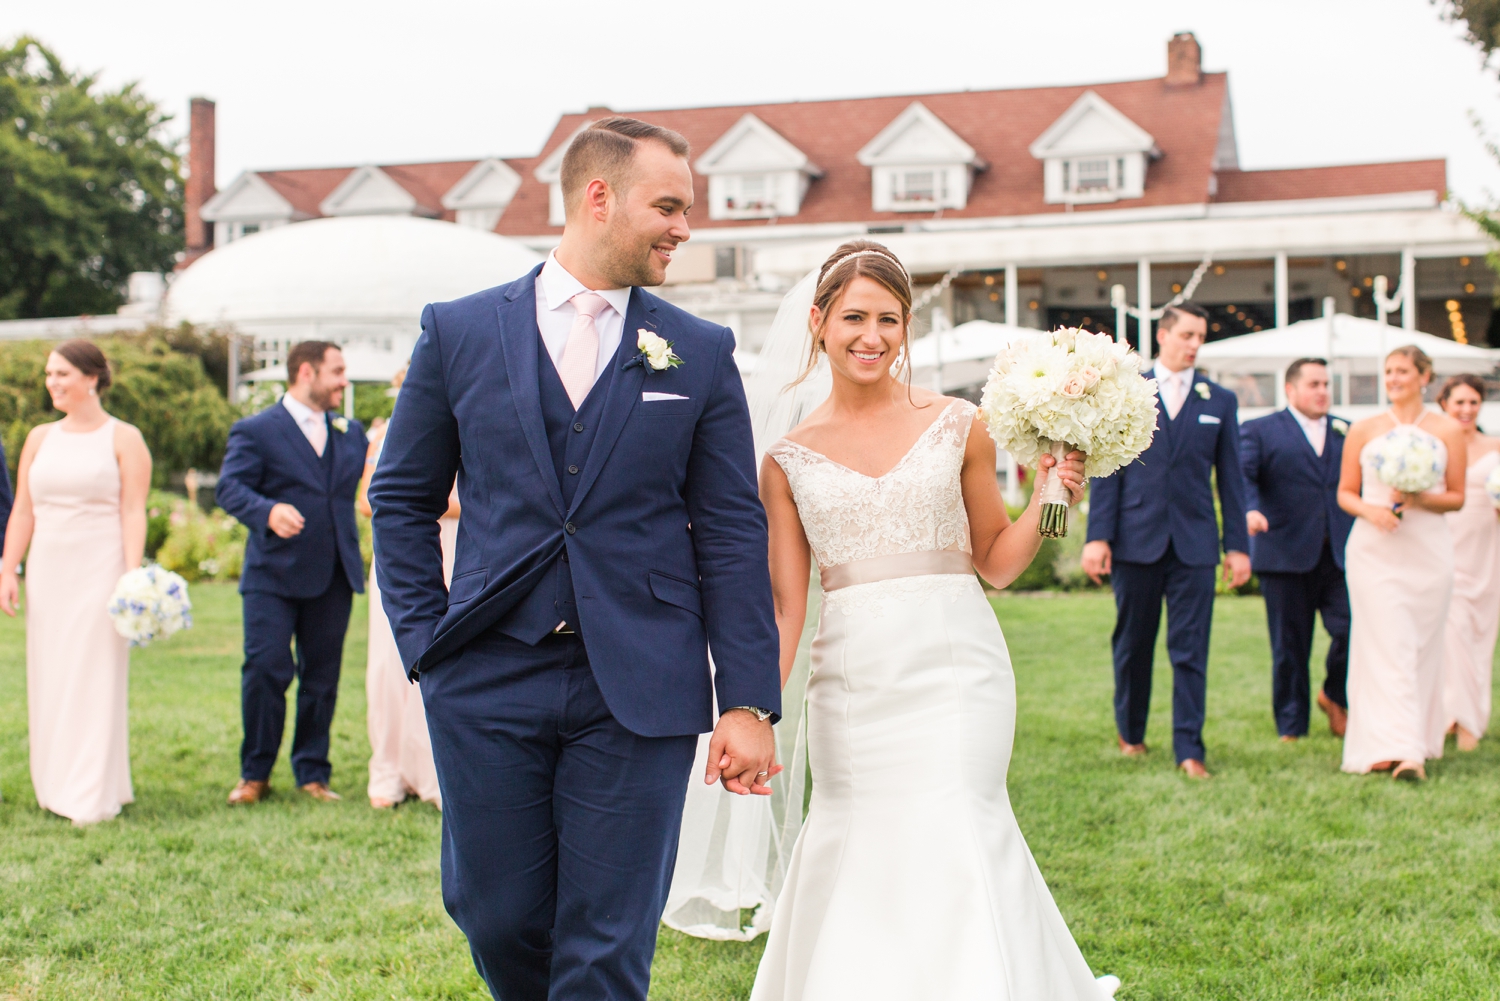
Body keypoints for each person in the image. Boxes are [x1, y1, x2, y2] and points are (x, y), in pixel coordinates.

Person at [368, 117, 781, 1001]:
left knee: (606, 940)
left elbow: (733, 530)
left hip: (639, 686)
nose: (683, 227)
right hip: (485, 673)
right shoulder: (460, 331)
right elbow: (400, 499)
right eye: (667, 205)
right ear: (599, 197)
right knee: (499, 915)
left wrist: (747, 697)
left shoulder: (700, 352)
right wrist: (424, 642)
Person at [748, 241, 1114, 1000]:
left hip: (957, 669)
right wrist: (755, 711)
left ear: (907, 327)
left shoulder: (960, 423)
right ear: (818, 322)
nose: (870, 336)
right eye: (853, 317)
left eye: (888, 319)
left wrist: (1052, 494)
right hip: (852, 682)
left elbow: (997, 560)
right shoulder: (785, 459)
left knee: (959, 818)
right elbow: (787, 606)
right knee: (859, 838)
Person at [1082, 303, 1251, 778]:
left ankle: (1189, 749)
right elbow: (1109, 467)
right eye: (1188, 334)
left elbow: (1232, 480)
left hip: (1196, 544)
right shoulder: (1128, 392)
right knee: (1134, 643)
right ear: (1164, 335)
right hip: (1136, 539)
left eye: (1201, 335)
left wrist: (1237, 547)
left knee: (1191, 648)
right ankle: (1131, 733)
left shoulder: (1220, 401)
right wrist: (1099, 538)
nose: (1195, 343)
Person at [0, 340, 152, 824]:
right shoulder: (39, 438)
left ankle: (91, 792)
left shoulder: (124, 438)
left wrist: (131, 577)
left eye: (62, 374)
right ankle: (54, 783)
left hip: (100, 568)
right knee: (52, 673)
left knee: (95, 675)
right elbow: (23, 508)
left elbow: (132, 510)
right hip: (48, 571)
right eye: (49, 374)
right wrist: (8, 567)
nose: (53, 383)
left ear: (92, 378)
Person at [216, 341, 367, 805]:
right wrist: (267, 510)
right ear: (306, 372)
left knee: (322, 677)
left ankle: (312, 772)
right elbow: (229, 488)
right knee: (265, 668)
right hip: (273, 575)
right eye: (337, 371)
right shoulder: (256, 430)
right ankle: (254, 773)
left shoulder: (351, 432)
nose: (345, 380)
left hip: (334, 572)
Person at [1337, 346, 1465, 781]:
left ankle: (1411, 737)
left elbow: (1457, 496)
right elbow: (1346, 492)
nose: (1393, 378)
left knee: (1420, 646)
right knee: (1386, 643)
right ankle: (1400, 750)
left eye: (1402, 371)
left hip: (1428, 550)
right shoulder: (1364, 427)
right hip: (1375, 549)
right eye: (1388, 371)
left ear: (1424, 376)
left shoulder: (1448, 430)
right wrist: (1371, 511)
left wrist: (1419, 497)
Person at [1240, 358, 1354, 741]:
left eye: (1326, 384)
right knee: (1290, 646)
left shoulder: (1346, 431)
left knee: (1352, 630)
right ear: (1290, 390)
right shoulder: (1259, 430)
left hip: (1339, 554)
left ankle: (1334, 695)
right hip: (1284, 553)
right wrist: (1250, 509)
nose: (1323, 391)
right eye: (1314, 384)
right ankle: (1292, 726)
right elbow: (1243, 476)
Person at [358, 368, 446, 809]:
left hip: (458, 551)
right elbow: (370, 497)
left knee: (447, 662)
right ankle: (388, 769)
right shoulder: (385, 434)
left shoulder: (469, 420)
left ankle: (434, 771)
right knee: (389, 665)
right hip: (403, 555)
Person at [1436, 374, 1500, 751]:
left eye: (1473, 402)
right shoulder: (1435, 446)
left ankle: (1467, 713)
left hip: (1486, 549)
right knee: (1452, 632)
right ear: (1444, 403)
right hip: (1445, 545)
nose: (1465, 409)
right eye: (1459, 402)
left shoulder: (1495, 446)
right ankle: (1459, 722)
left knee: (1479, 635)